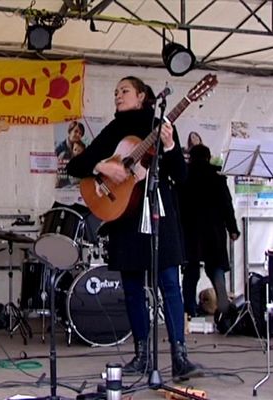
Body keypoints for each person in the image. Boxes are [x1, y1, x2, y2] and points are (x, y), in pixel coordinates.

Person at [66, 76, 201, 381]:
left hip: (158, 213)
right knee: (131, 289)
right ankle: (141, 355)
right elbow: (76, 165)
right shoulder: (114, 131)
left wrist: (168, 146)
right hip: (125, 217)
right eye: (115, 92)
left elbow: (181, 176)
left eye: (124, 91)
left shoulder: (161, 126)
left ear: (142, 97)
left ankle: (179, 355)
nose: (118, 95)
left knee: (169, 283)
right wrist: (102, 167)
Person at [178, 144, 240, 318]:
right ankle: (223, 310)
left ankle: (188, 310)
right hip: (214, 232)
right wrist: (233, 229)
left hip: (190, 232)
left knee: (191, 272)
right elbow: (227, 207)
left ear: (190, 157)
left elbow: (178, 207)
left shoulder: (184, 177)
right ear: (208, 157)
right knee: (216, 269)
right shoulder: (217, 178)